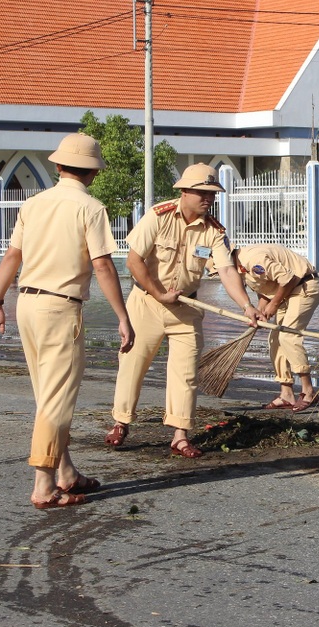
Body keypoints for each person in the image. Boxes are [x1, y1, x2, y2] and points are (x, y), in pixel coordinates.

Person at [0, 133, 135, 510]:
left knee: (47, 394)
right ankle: (43, 484)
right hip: (60, 308)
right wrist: (123, 317)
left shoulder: (33, 204)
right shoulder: (91, 208)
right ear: (93, 173)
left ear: (58, 166)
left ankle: (65, 471)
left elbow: (11, 257)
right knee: (56, 400)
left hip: (26, 306)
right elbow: (101, 265)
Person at [107, 163, 260, 456]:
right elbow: (134, 261)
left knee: (186, 372)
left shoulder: (214, 232)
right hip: (146, 303)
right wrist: (159, 293)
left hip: (187, 308)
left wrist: (246, 306)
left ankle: (180, 434)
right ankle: (121, 422)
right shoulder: (158, 216)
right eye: (202, 192)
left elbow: (227, 271)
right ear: (185, 191)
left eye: (212, 193)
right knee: (133, 364)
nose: (208, 198)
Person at [231, 244, 319, 412]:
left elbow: (288, 278)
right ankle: (286, 393)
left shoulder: (253, 260)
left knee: (288, 336)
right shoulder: (241, 266)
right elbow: (266, 287)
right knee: (275, 339)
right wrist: (261, 312)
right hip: (287, 291)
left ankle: (309, 391)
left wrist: (273, 305)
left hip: (304, 287)